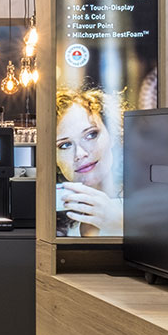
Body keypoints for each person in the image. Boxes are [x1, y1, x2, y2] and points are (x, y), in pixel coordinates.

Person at [55, 87, 124, 237]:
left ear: (112, 135)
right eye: (65, 145)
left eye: (91, 135)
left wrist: (121, 225)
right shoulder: (53, 219)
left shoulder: (147, 203)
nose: (80, 154)